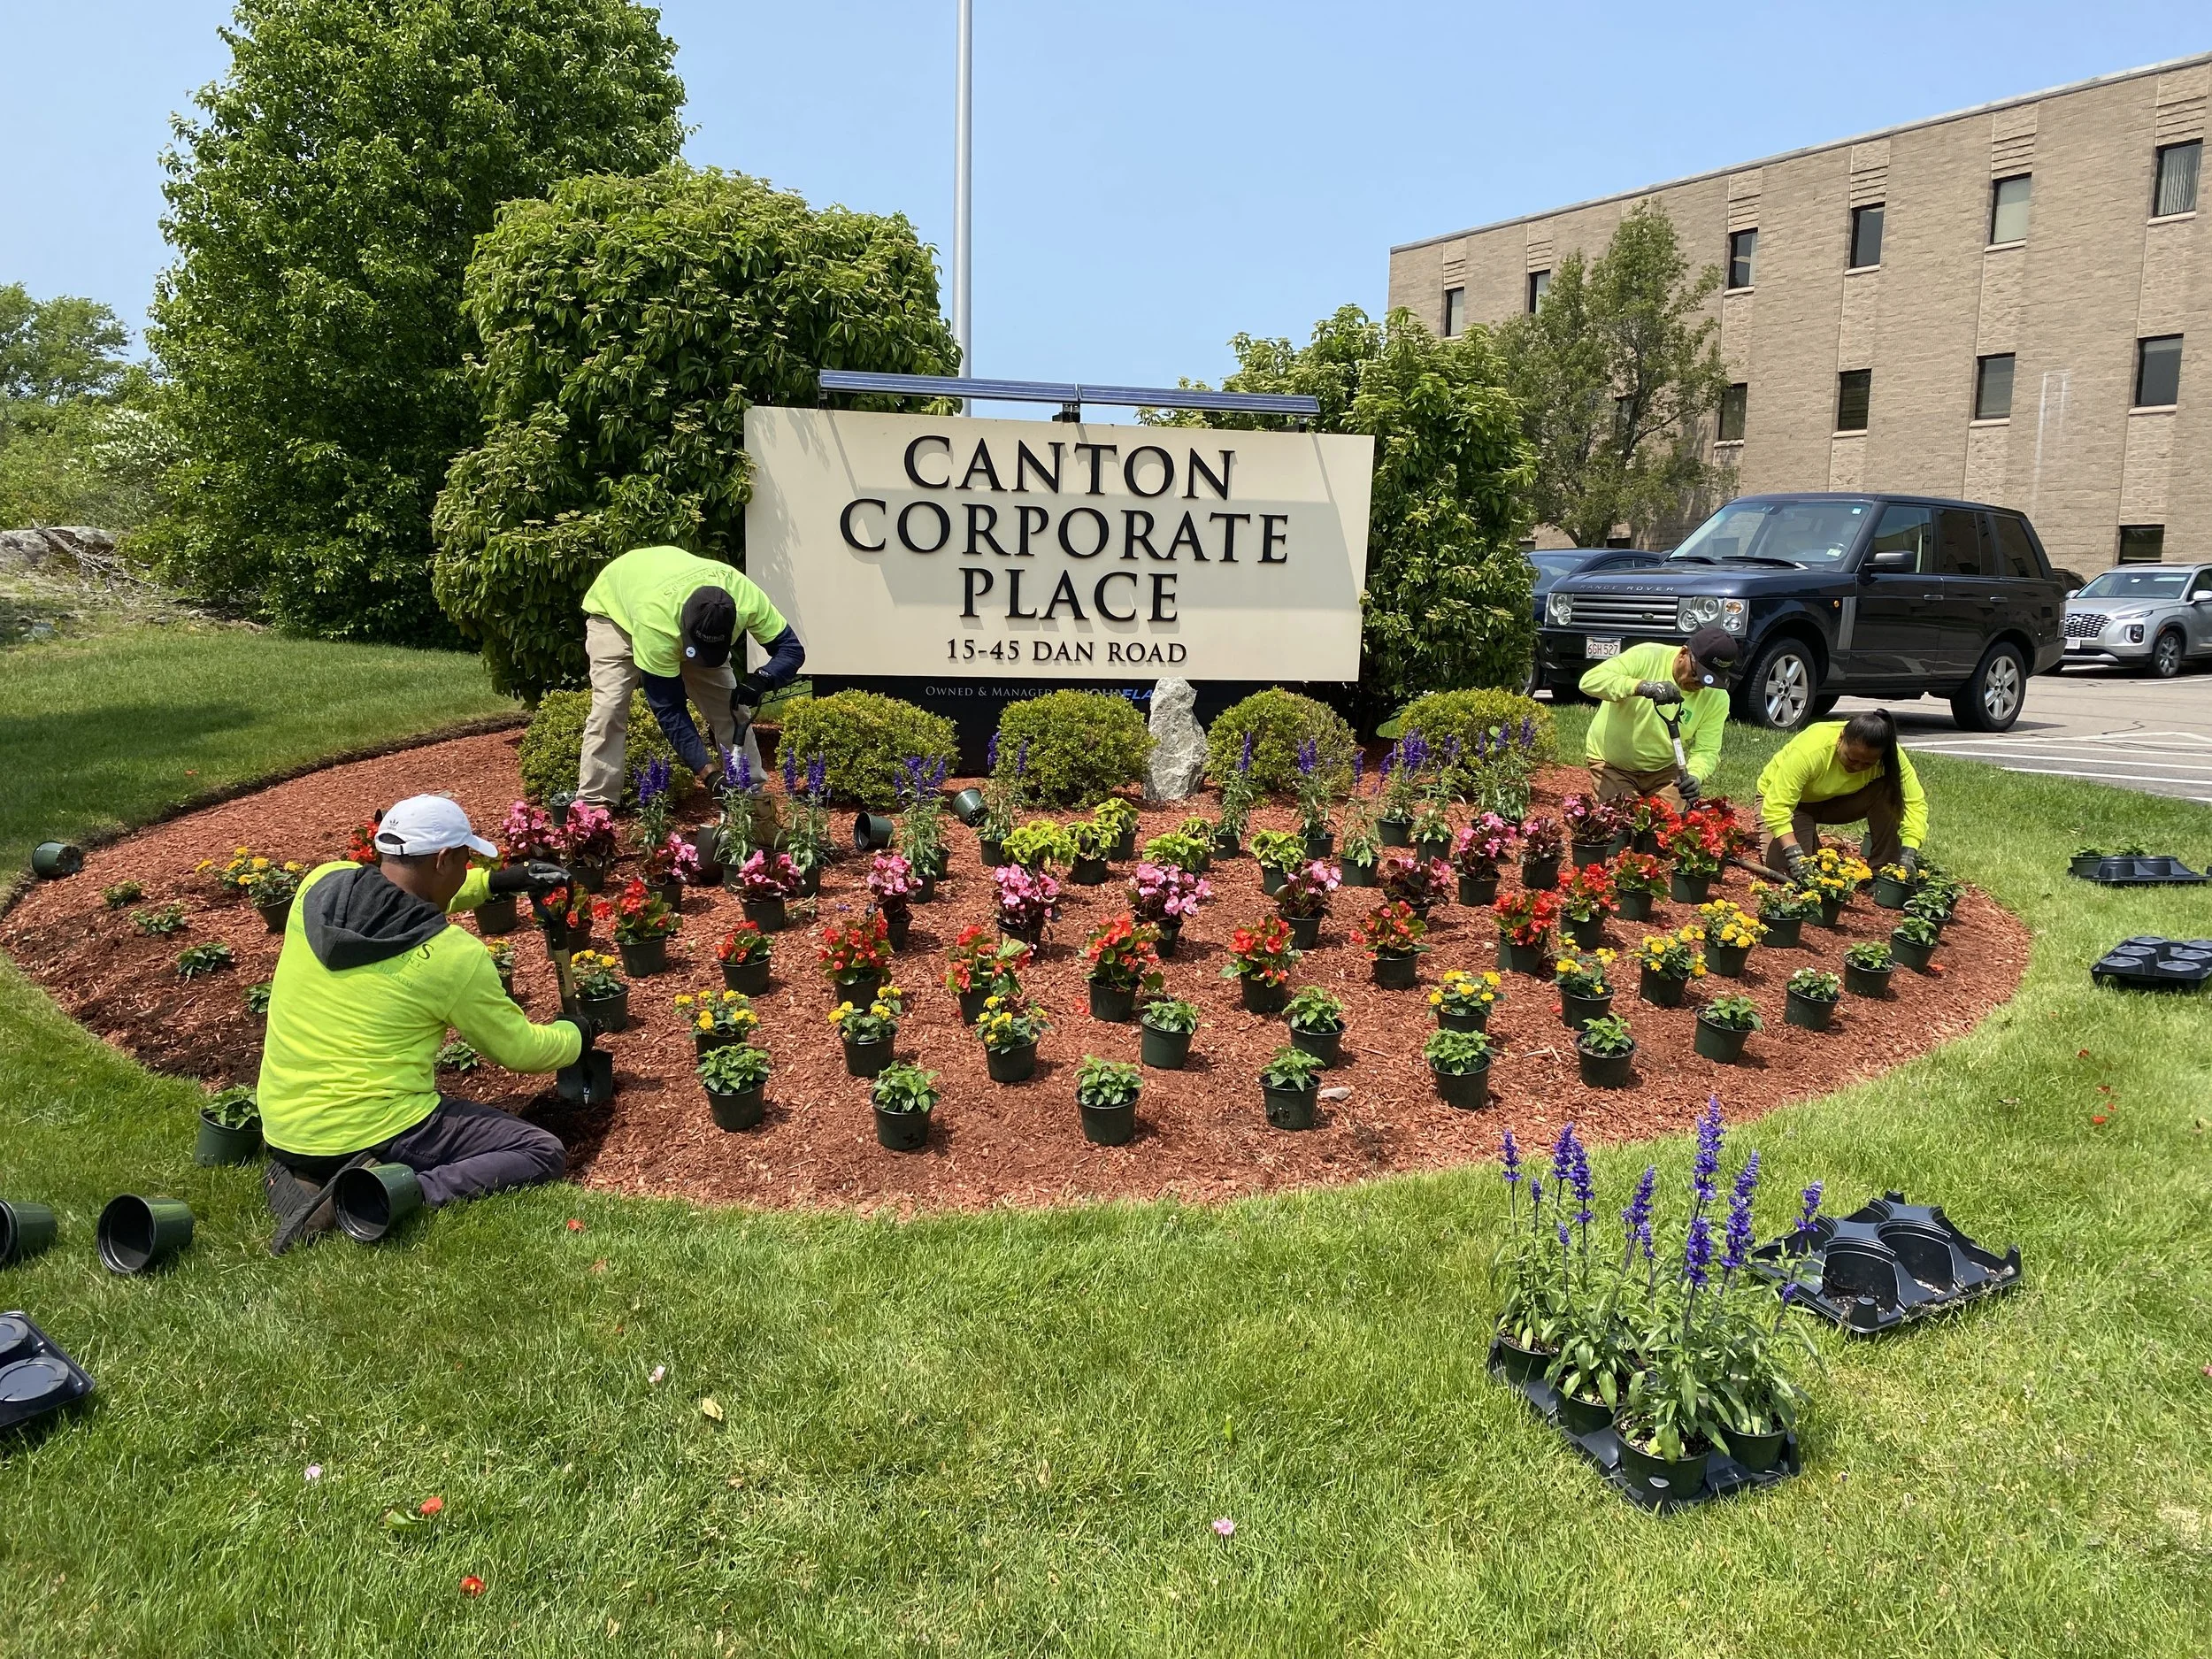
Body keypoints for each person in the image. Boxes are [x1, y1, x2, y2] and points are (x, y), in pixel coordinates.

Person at [256, 795, 588, 1254]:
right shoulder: (451, 957)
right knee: (540, 1151)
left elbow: (397, 902)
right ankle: (382, 1193)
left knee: (323, 1137)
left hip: (284, 1125)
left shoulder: (321, 886)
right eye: (464, 859)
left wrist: (499, 882)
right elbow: (519, 1051)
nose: (464, 867)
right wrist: (575, 1036)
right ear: (443, 859)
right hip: (374, 1126)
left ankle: (304, 1173)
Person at [577, 543, 806, 807]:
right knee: (610, 709)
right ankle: (593, 810)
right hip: (617, 614)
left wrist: (763, 679)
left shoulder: (744, 597)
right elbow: (669, 708)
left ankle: (751, 801)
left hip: (666, 600)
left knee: (733, 710)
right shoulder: (657, 624)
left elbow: (791, 650)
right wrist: (708, 774)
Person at [1578, 625, 1744, 810]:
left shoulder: (1717, 697)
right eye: (1697, 675)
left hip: (1664, 770)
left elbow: (1707, 750)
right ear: (1683, 653)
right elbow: (1589, 681)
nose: (1700, 685)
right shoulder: (1647, 655)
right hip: (1610, 763)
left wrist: (1695, 775)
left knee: (1668, 828)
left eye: (1709, 680)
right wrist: (1642, 687)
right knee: (1622, 823)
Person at [1755, 708, 1928, 879]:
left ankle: (1885, 872)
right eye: (1852, 759)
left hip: (1835, 801)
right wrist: (1794, 852)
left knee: (1890, 790)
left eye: (1868, 764)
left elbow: (1914, 803)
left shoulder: (1891, 756)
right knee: (1787, 870)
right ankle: (1804, 833)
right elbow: (1777, 805)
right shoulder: (1812, 748)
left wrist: (1908, 852)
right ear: (1841, 738)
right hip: (1788, 803)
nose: (1858, 767)